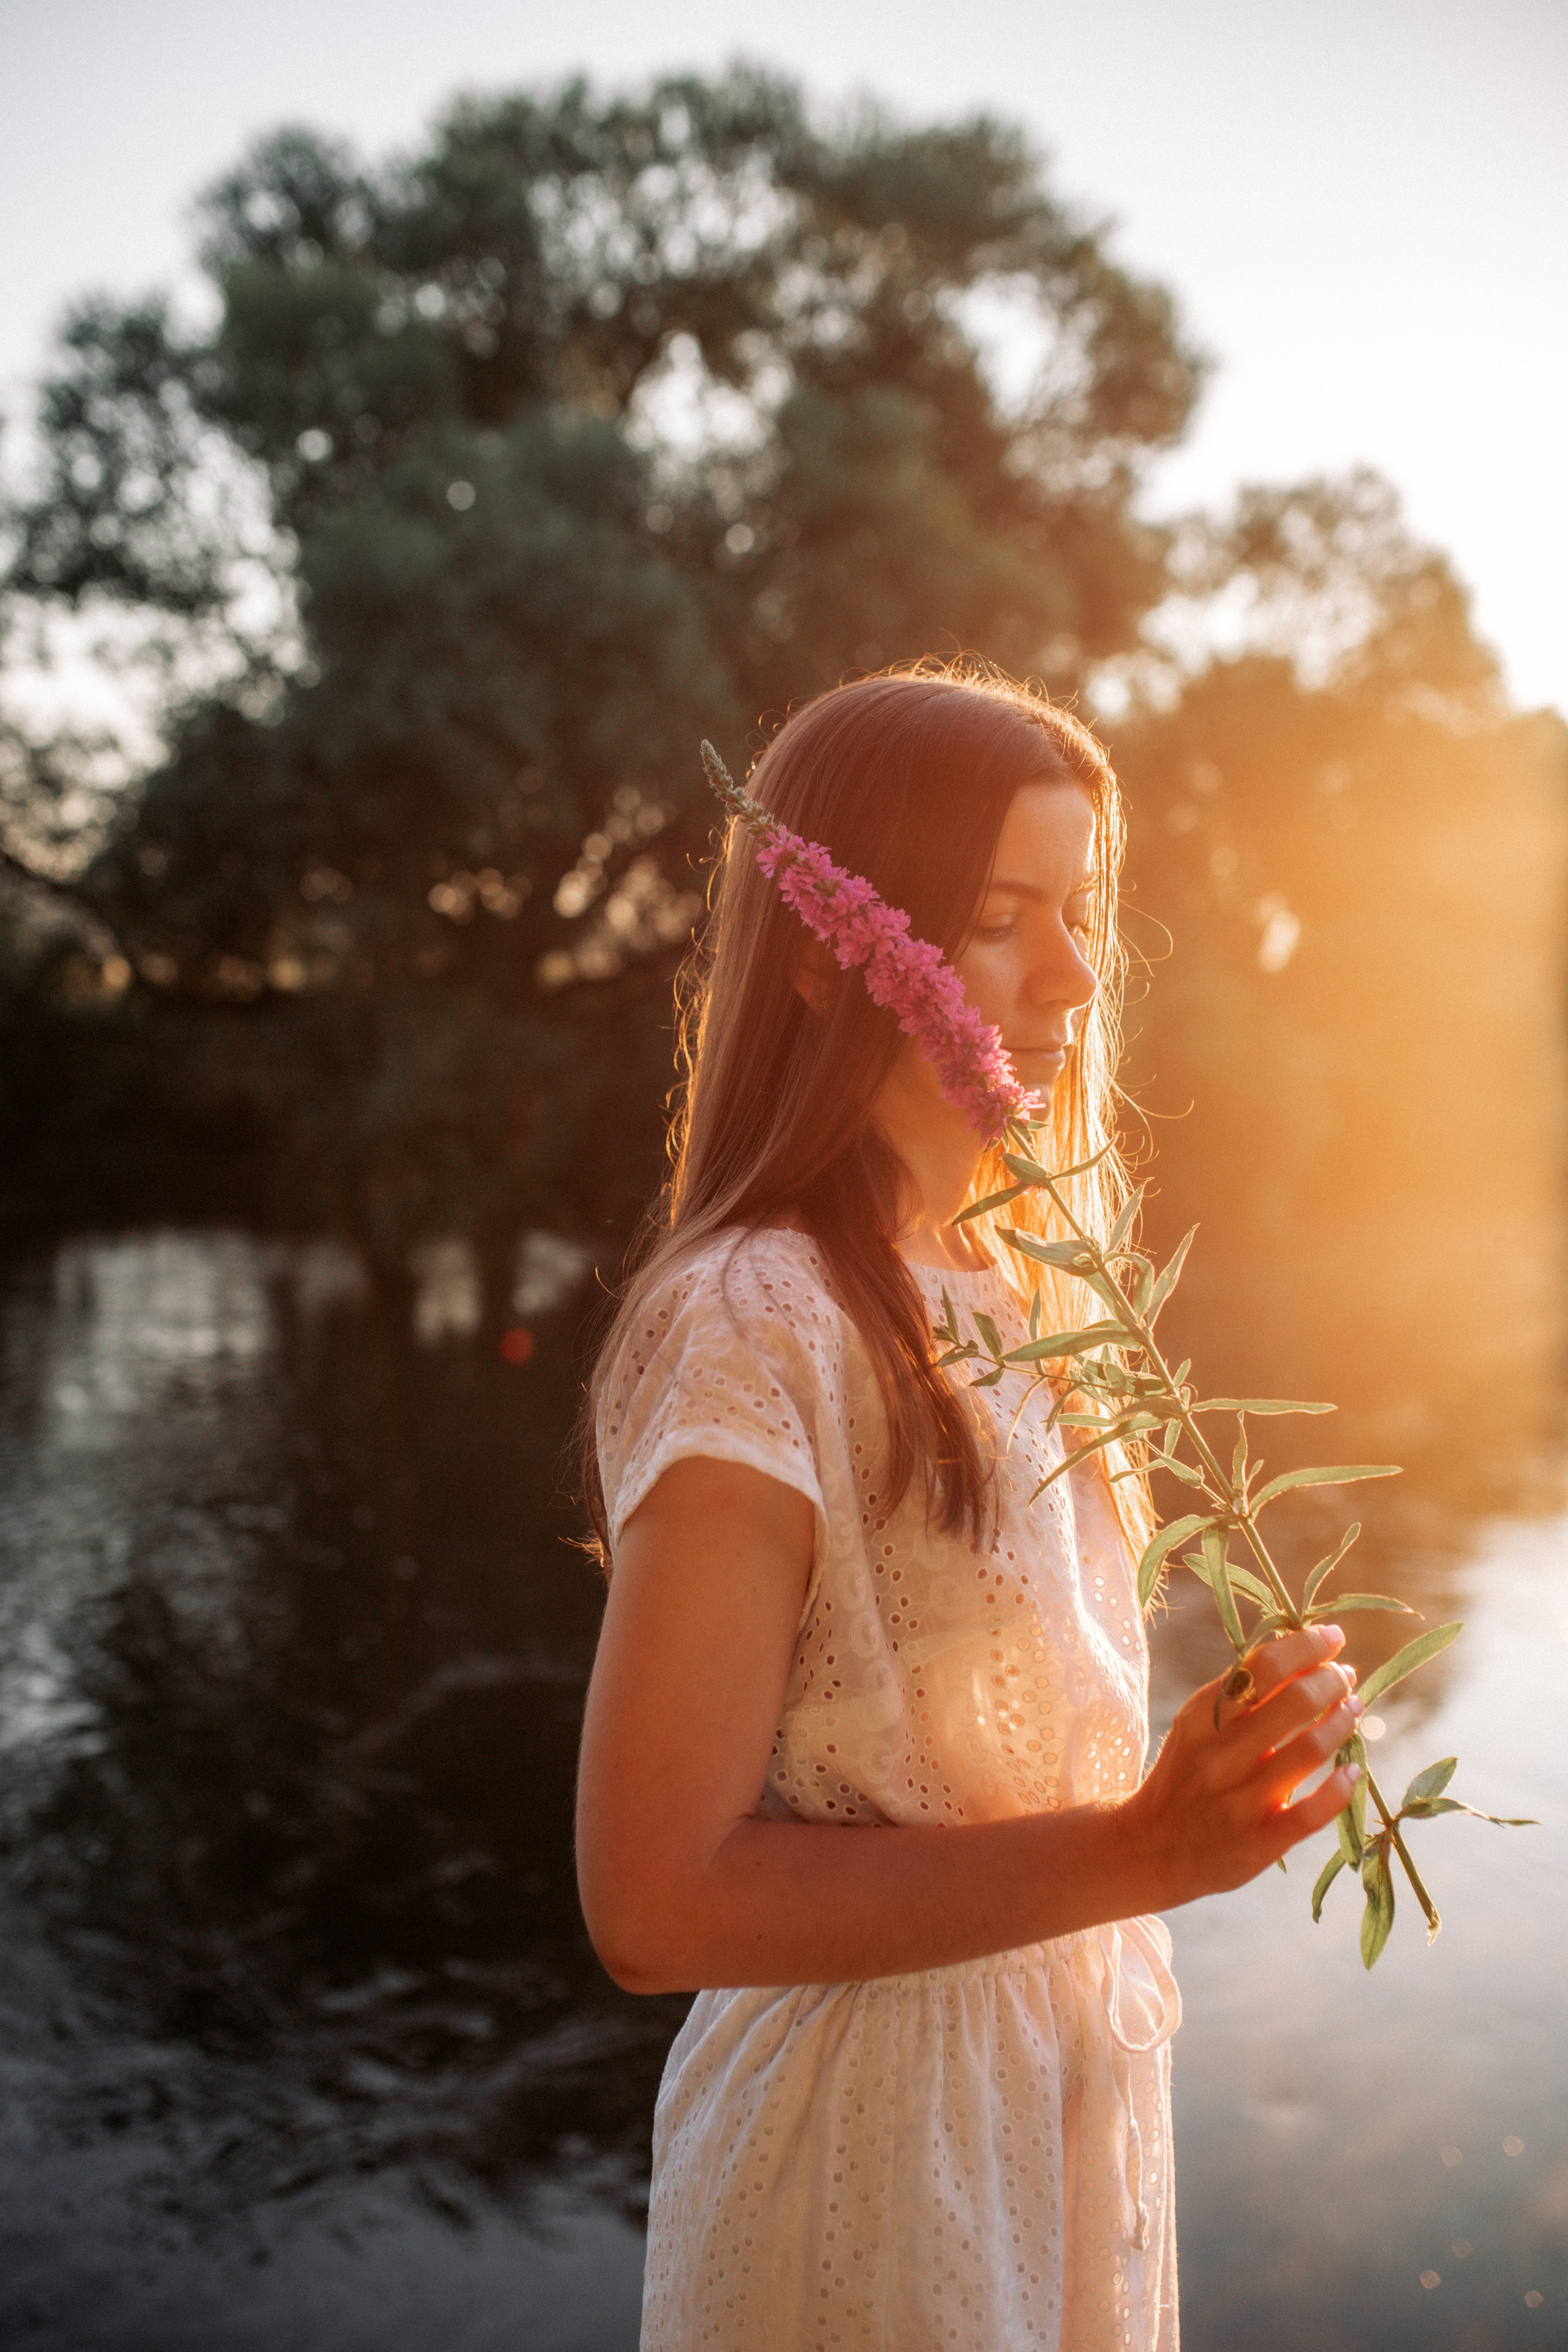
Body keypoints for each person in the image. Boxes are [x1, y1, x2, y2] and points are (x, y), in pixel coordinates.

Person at [574, 663, 1363, 2351]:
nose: (1076, 972)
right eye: (1003, 917)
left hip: (1054, 2110)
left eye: (1081, 912)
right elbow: (652, 1901)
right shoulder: (756, 1318)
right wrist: (1145, 1847)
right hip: (871, 2155)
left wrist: (1228, 1758)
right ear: (827, 946)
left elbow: (1031, 1742)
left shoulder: (1025, 1291)